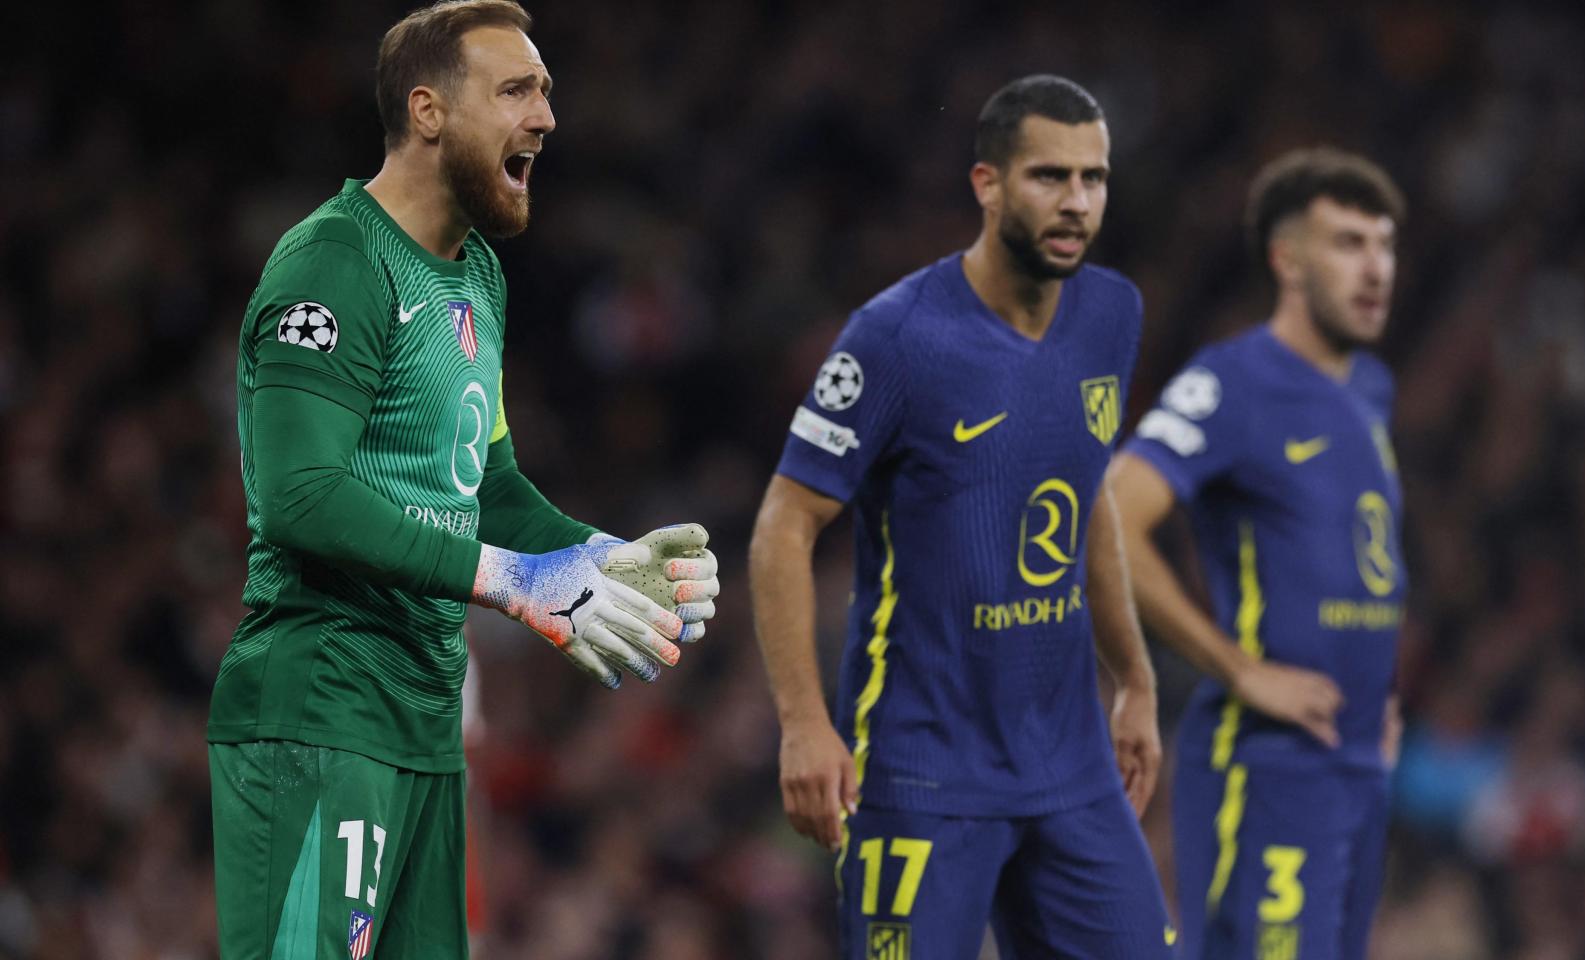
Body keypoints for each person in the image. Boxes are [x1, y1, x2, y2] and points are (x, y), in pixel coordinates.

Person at [205, 2, 718, 957]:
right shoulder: (335, 261)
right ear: (429, 110)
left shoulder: (476, 273)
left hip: (425, 723)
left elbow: (490, 484)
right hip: (323, 707)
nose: (547, 117)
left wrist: (602, 560)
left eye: (548, 93)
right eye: (518, 90)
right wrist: (514, 583)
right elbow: (299, 495)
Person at [750, 74, 1174, 959]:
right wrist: (802, 722)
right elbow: (784, 525)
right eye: (1048, 177)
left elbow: (1085, 492)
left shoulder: (1112, 315)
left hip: (1070, 764)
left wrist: (1133, 675)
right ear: (987, 185)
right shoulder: (895, 337)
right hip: (920, 767)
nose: (1076, 203)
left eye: (1093, 179)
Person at [1106, 146, 1407, 960]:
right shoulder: (1235, 381)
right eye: (1347, 243)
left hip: (1353, 764)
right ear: (1287, 259)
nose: (1375, 267)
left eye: (1383, 244)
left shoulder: (1370, 388)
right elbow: (1111, 518)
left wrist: (1378, 692)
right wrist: (1239, 668)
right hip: (1270, 766)